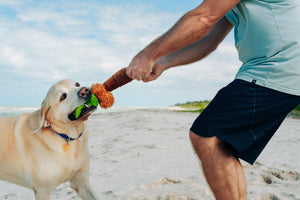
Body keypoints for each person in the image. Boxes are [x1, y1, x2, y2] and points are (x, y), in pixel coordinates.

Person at [126, 0, 300, 199]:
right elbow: (209, 40)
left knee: (208, 136)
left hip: (277, 67)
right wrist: (162, 62)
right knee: (222, 145)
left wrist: (147, 54)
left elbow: (203, 18)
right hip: (269, 69)